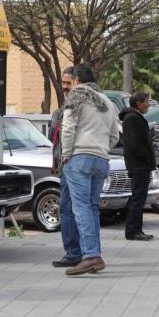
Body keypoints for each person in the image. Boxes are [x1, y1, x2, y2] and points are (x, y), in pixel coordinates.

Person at [58, 63, 119, 276]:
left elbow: (68, 126)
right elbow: (115, 135)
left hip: (79, 157)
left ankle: (91, 256)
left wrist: (66, 155)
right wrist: (102, 148)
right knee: (92, 207)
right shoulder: (107, 101)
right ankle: (95, 255)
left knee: (81, 207)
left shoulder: (76, 95)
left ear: (76, 80)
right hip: (101, 159)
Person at [49, 67, 85, 269]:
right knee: (73, 209)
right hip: (64, 165)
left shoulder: (77, 107)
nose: (64, 87)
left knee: (71, 209)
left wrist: (66, 158)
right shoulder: (63, 108)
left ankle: (74, 253)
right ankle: (80, 252)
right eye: (62, 83)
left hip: (72, 164)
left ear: (77, 82)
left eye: (68, 83)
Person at [120, 92, 156, 241]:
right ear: (138, 103)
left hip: (141, 165)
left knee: (139, 198)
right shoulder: (132, 119)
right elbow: (134, 145)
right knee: (138, 198)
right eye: (147, 101)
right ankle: (133, 231)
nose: (148, 104)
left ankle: (136, 229)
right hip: (138, 165)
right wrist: (147, 157)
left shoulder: (135, 117)